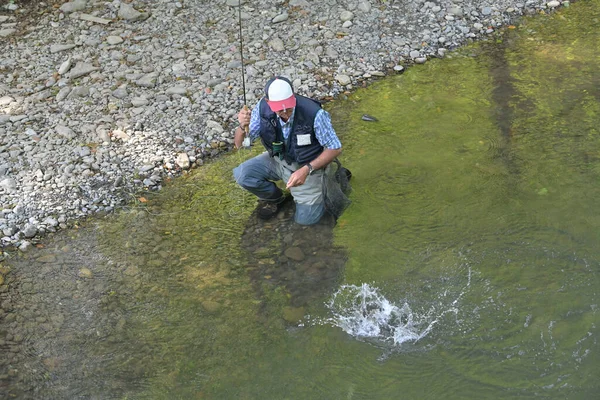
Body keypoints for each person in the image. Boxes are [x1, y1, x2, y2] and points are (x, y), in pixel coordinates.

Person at [233, 76, 343, 225]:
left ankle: (327, 182)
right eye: (280, 109)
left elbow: (335, 148)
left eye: (289, 107)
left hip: (308, 168)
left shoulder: (315, 114)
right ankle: (277, 198)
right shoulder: (262, 108)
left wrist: (306, 169)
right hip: (278, 160)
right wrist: (241, 127)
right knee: (242, 175)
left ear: (293, 97)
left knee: (306, 222)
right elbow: (240, 145)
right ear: (268, 103)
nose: (285, 112)